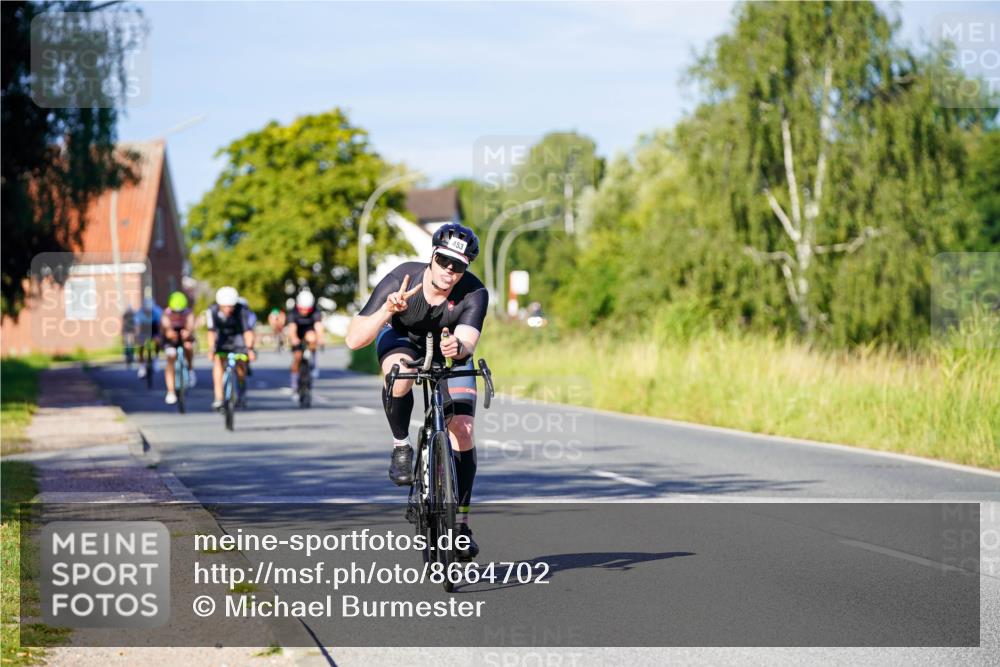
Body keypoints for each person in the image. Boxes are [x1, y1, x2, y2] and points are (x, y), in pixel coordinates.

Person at [345, 223, 487, 560]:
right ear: (432, 256)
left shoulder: (474, 293)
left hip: (448, 350)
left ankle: (462, 525)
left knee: (463, 431)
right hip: (402, 341)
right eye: (443, 261)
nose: (449, 271)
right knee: (400, 373)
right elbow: (354, 339)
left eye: (458, 266)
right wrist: (387, 312)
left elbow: (467, 340)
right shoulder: (402, 279)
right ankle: (400, 446)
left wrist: (457, 347)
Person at [206, 286, 256, 410]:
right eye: (225, 306)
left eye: (231, 306)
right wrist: (212, 349)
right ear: (219, 305)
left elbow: (247, 332)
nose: (229, 309)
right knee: (218, 363)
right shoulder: (212, 311)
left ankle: (241, 388)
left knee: (241, 363)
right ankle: (218, 398)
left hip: (237, 336)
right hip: (222, 337)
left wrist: (249, 349)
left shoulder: (241, 310)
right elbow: (211, 332)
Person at [160, 291, 196, 404]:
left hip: (184, 334)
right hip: (171, 338)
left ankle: (190, 370)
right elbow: (165, 327)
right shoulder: (166, 313)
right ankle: (170, 391)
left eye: (180, 311)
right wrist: (168, 333)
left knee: (188, 346)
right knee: (171, 357)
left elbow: (190, 325)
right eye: (175, 311)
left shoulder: (188, 313)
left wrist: (188, 332)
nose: (177, 314)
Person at [286, 291, 324, 397]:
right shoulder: (293, 312)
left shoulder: (315, 312)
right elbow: (292, 330)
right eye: (302, 309)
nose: (305, 311)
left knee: (312, 338)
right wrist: (294, 339)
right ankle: (294, 384)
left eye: (308, 309)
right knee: (297, 357)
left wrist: (320, 339)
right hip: (297, 333)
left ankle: (313, 363)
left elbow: (318, 327)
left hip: (309, 331)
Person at [135, 297, 163, 378]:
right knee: (140, 344)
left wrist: (159, 335)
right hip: (144, 328)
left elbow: (160, 326)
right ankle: (142, 366)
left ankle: (156, 361)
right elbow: (137, 326)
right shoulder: (140, 313)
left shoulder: (157, 311)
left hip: (154, 327)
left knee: (158, 341)